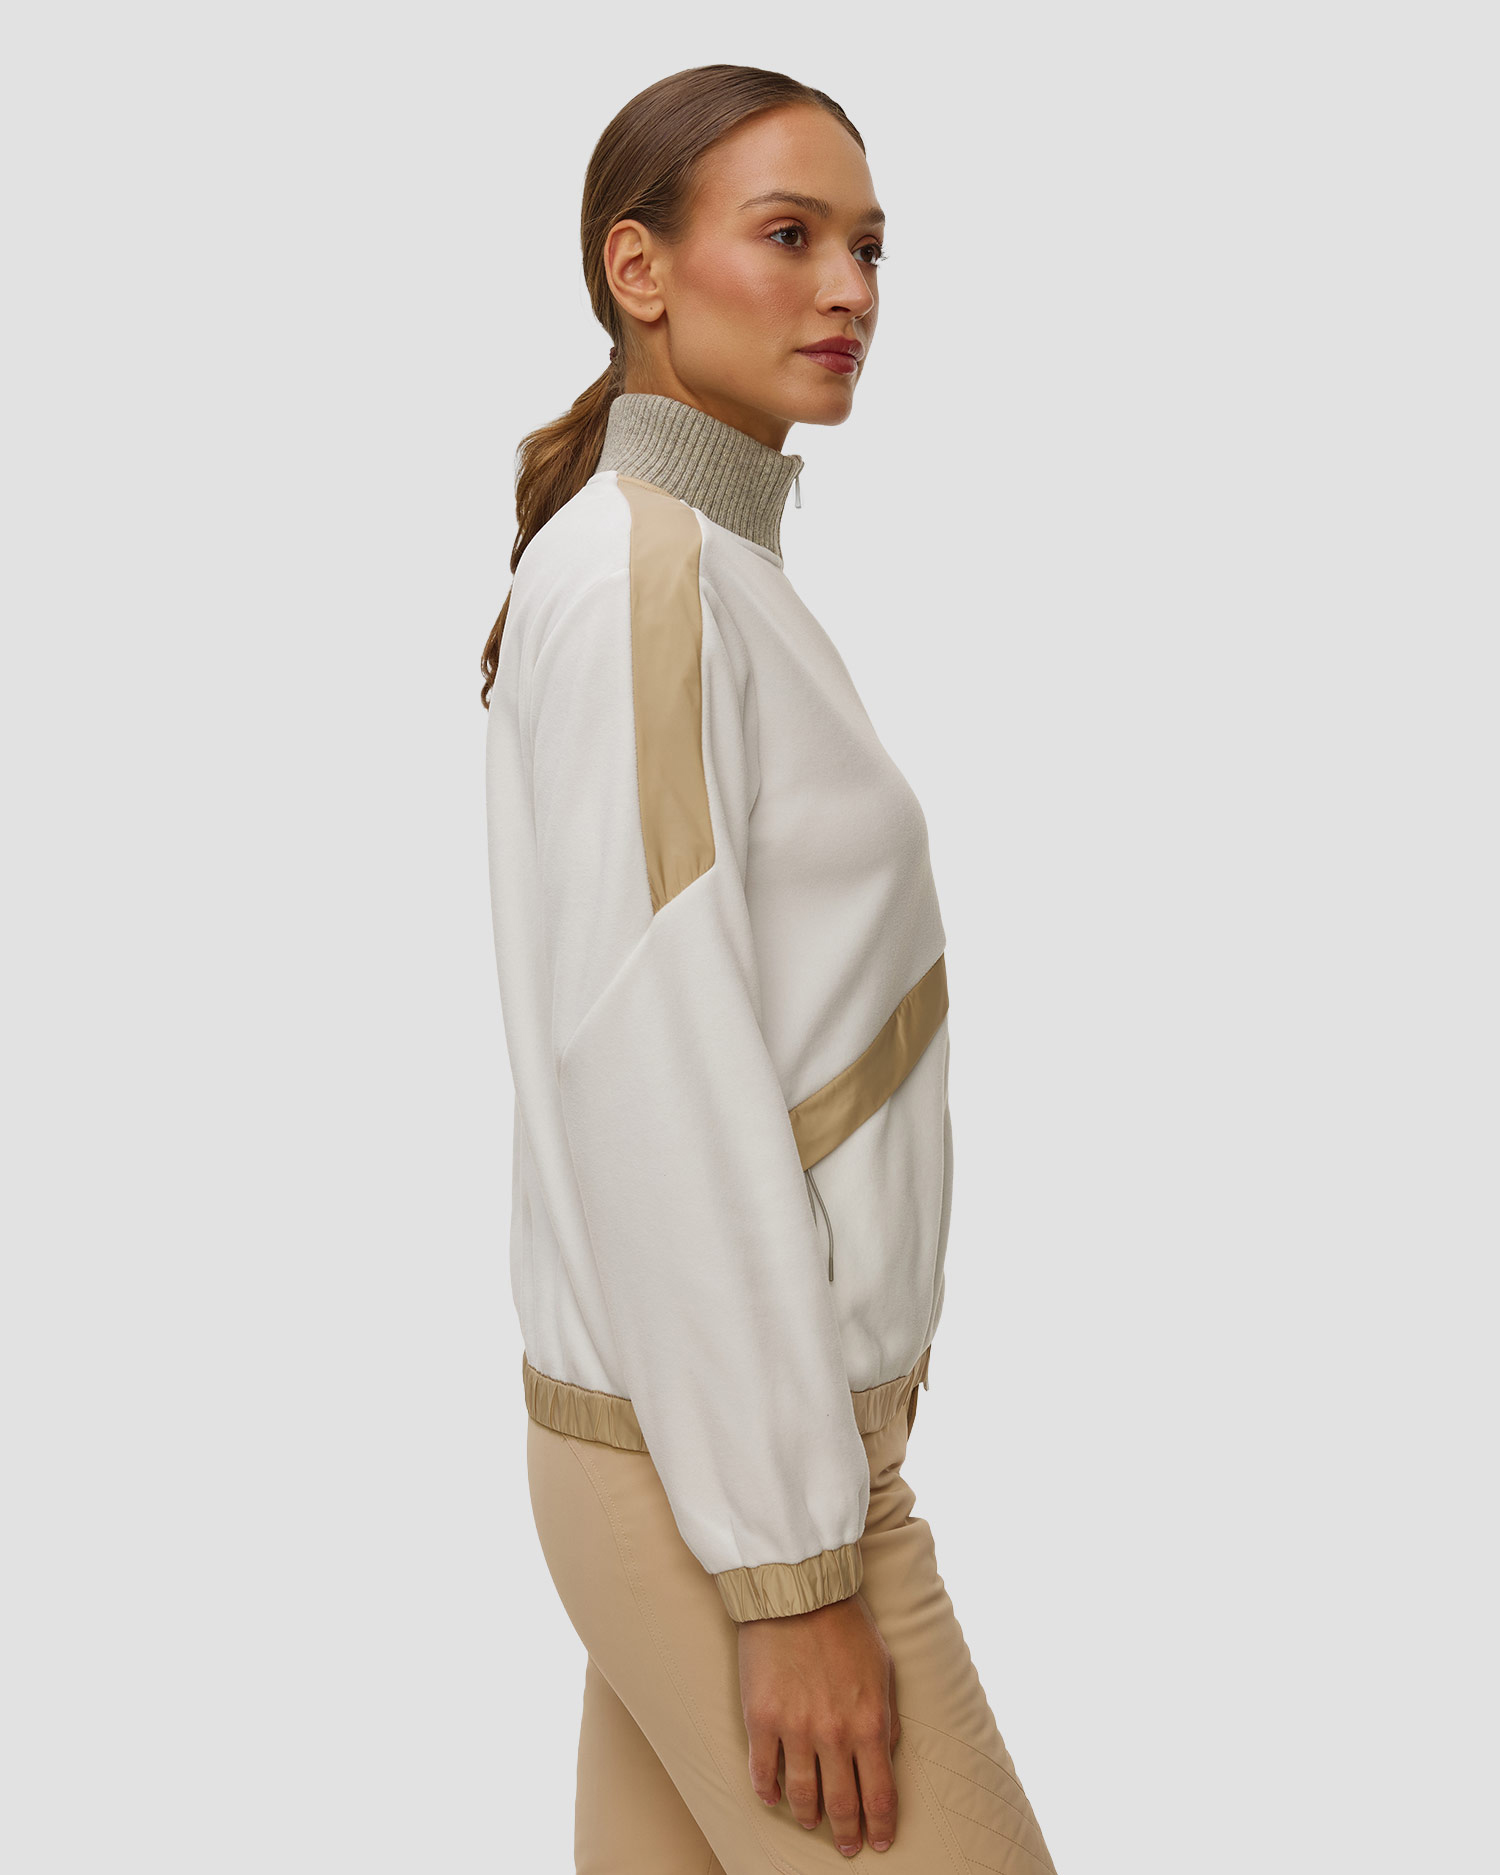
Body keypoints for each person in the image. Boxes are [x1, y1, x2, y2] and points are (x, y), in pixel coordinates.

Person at [481, 63, 1058, 1873]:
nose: (848, 289)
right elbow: (656, 1074)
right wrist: (796, 1572)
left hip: (706, 1455)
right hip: (732, 1487)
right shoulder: (643, 579)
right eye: (790, 236)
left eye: (871, 247)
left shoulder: (706, 563)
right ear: (637, 269)